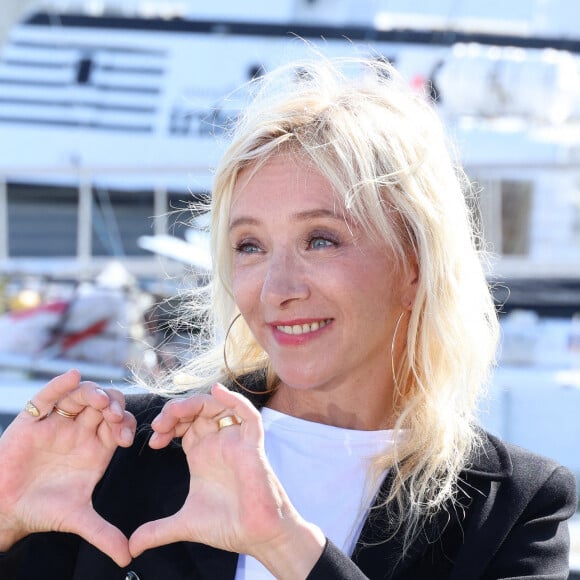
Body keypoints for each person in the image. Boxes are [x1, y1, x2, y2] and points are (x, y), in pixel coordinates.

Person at [0, 56, 576, 580]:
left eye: (320, 240)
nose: (277, 290)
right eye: (249, 246)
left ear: (416, 265)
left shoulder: (512, 508)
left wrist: (287, 544)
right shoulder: (127, 451)